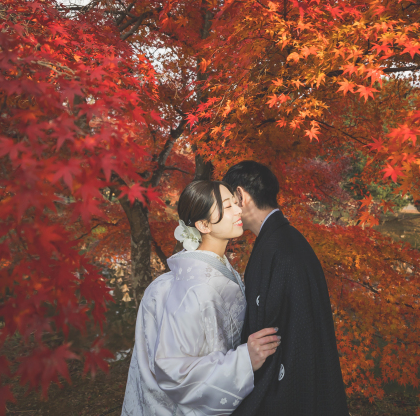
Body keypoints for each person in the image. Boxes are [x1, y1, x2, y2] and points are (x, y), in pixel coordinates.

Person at [122, 180, 281, 415]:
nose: (239, 210)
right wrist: (244, 360)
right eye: (228, 207)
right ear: (204, 224)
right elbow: (175, 371)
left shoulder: (213, 270)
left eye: (236, 203)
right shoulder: (194, 288)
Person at [223, 161, 349, 416]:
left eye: (228, 202)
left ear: (241, 195)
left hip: (288, 390)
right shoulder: (285, 240)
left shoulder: (278, 249)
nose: (228, 210)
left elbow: (274, 338)